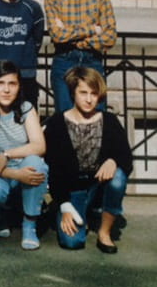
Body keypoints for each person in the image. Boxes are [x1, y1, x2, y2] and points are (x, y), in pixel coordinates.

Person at [44, 67, 132, 253]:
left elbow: (126, 156)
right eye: (83, 93)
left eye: (94, 93)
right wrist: (64, 204)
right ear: (73, 93)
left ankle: (104, 232)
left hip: (99, 185)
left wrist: (113, 161)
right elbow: (54, 168)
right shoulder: (57, 122)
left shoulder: (109, 120)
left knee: (118, 178)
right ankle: (64, 210)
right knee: (72, 242)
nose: (89, 99)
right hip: (72, 189)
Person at [0, 60, 48, 250]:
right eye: (0, 83)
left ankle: (29, 224)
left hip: (23, 170)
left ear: (19, 86)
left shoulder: (26, 108)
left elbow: (39, 146)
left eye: (12, 84)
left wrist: (8, 154)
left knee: (36, 163)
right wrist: (15, 174)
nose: (6, 90)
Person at [45, 0, 116, 112]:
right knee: (65, 117)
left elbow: (110, 36)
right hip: (64, 60)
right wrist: (93, 29)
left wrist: (73, 37)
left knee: (96, 116)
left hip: (92, 60)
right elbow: (57, 36)